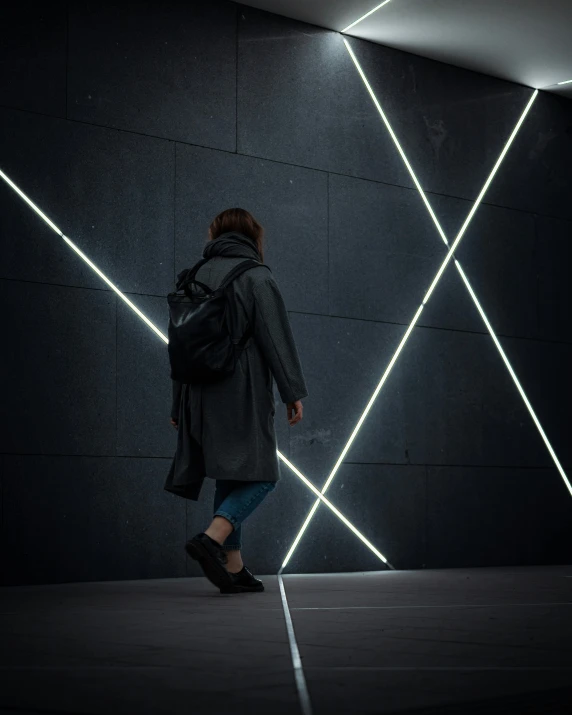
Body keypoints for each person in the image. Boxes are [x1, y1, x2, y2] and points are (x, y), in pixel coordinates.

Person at [166, 208, 308, 594]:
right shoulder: (256, 277)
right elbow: (275, 339)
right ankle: (212, 539)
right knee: (263, 475)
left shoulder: (194, 275)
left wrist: (178, 403)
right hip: (239, 391)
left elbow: (181, 346)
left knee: (232, 474)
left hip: (197, 393)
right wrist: (292, 392)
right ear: (252, 237)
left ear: (216, 234)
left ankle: (234, 565)